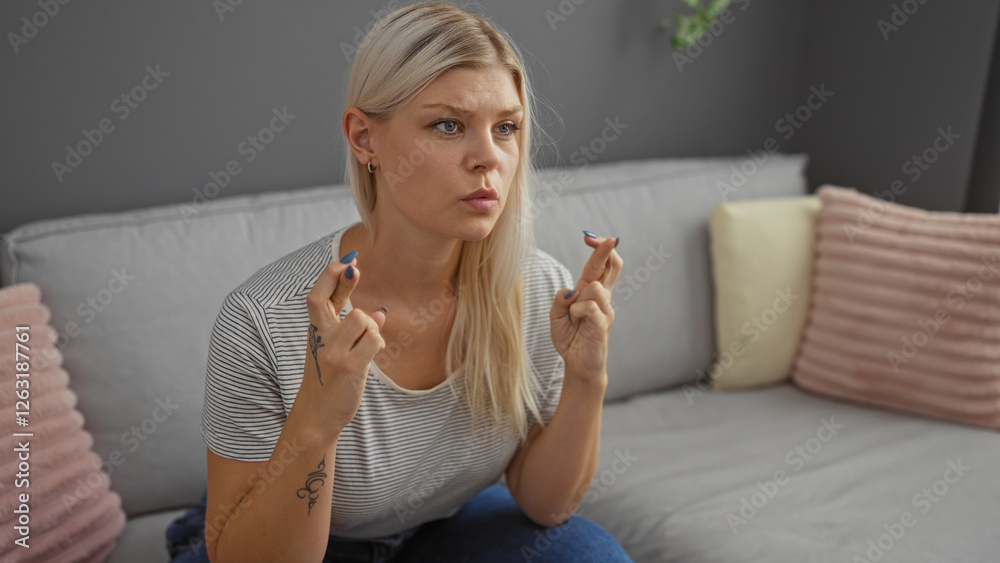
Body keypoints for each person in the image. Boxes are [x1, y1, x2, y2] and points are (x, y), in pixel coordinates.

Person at [171, 2, 631, 561]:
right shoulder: (262, 319)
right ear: (365, 138)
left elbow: (545, 506)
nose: (489, 157)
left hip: (441, 526)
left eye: (506, 127)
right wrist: (316, 423)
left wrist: (588, 378)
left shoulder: (538, 288)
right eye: (448, 125)